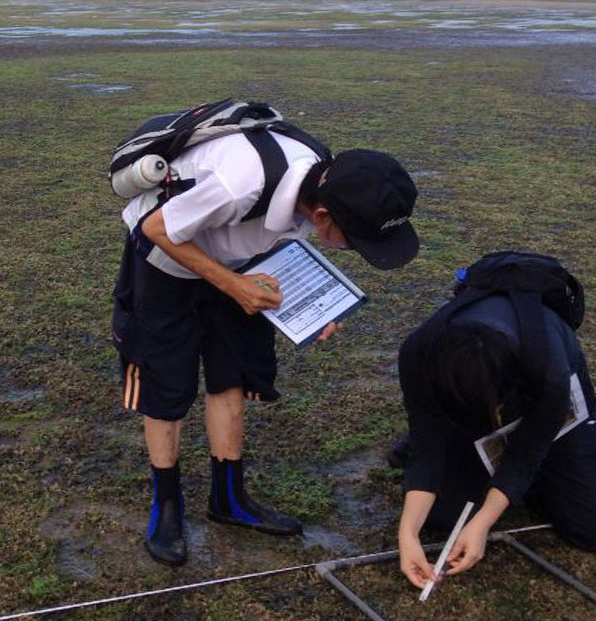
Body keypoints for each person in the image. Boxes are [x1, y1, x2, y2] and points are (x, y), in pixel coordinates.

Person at [111, 127, 419, 567]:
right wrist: (233, 285)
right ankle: (167, 507)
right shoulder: (242, 183)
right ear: (325, 214)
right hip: (164, 259)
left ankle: (229, 498)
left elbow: (286, 235)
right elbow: (156, 229)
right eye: (356, 241)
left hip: (240, 260)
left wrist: (313, 300)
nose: (356, 250)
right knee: (166, 384)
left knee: (233, 371)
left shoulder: (321, 174)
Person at [393, 289, 596, 588]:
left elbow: (526, 453)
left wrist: (483, 522)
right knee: (439, 517)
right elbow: (427, 446)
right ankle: (490, 466)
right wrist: (408, 534)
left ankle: (539, 477)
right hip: (478, 404)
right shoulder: (417, 354)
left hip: (552, 410)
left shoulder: (547, 366)